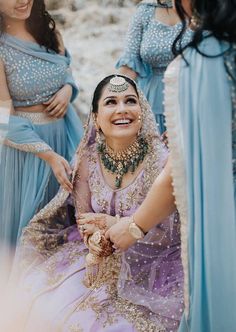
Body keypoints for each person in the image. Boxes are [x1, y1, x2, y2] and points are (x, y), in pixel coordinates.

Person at [9, 75, 183, 332]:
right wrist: (95, 238)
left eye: (130, 101)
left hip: (151, 262)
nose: (122, 109)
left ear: (142, 111)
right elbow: (83, 218)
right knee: (38, 297)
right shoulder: (89, 158)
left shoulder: (161, 160)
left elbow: (172, 232)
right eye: (111, 102)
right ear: (96, 118)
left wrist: (121, 226)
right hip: (94, 256)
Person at [107, 1, 236, 331]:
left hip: (189, 116)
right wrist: (118, 104)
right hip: (156, 106)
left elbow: (184, 168)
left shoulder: (205, 58)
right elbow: (128, 63)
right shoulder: (147, 12)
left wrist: (133, 227)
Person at [0, 0, 83, 253]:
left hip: (64, 136)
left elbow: (65, 72)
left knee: (67, 231)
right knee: (31, 237)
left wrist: (68, 90)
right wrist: (46, 154)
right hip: (28, 153)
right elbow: (2, 120)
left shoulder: (50, 33)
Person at [116, 0, 193, 133]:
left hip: (191, 96)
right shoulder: (145, 11)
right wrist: (113, 100)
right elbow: (129, 65)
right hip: (153, 99)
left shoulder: (200, 9)